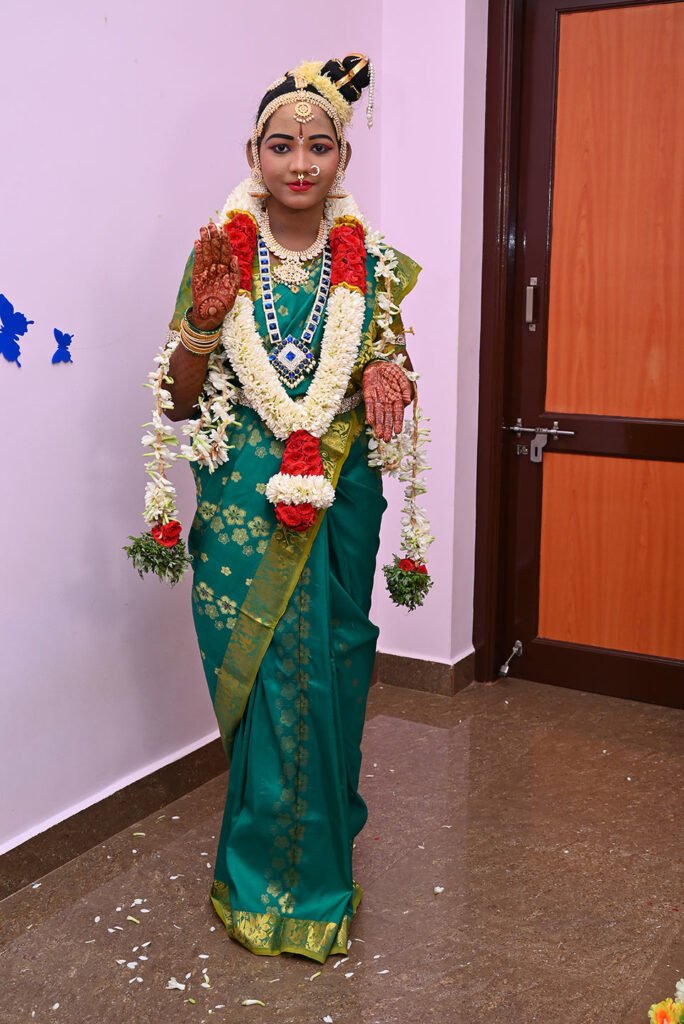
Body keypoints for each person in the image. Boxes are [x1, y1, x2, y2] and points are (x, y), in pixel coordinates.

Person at [154, 54, 422, 962]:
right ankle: (254, 877)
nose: (299, 163)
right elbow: (180, 397)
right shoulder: (219, 251)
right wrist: (202, 320)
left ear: (343, 156)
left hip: (339, 494)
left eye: (319, 145)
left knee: (334, 674)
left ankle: (319, 879)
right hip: (242, 503)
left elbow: (389, 369)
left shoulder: (374, 265)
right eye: (281, 145)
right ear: (253, 153)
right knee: (267, 682)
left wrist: (392, 372)